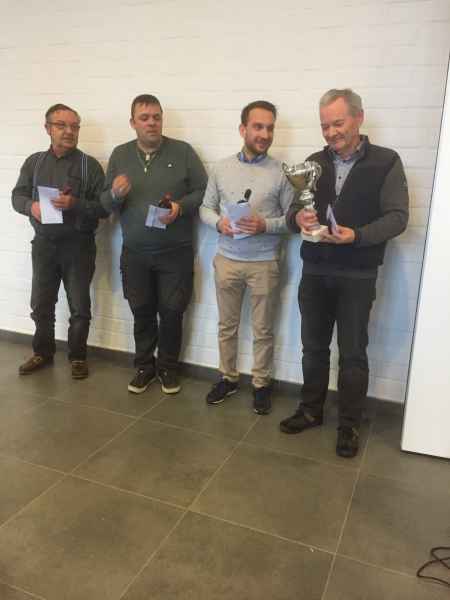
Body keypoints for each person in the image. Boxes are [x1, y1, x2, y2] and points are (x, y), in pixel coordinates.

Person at [279, 88, 409, 457]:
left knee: (352, 353)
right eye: (325, 126)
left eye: (338, 123)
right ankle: (310, 410)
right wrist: (298, 219)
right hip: (315, 270)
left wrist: (358, 236)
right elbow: (292, 214)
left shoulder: (386, 161)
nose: (331, 132)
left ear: (358, 118)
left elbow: (398, 218)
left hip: (357, 274)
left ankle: (349, 424)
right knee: (313, 348)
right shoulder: (312, 162)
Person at [101, 94, 207, 395]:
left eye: (156, 117)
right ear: (133, 122)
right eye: (144, 118)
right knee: (141, 311)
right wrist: (115, 194)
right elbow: (104, 203)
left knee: (172, 312)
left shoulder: (183, 152)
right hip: (135, 253)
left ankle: (168, 368)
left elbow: (204, 191)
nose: (151, 123)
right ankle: (144, 367)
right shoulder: (120, 155)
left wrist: (180, 207)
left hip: (175, 252)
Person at [200, 100, 295, 415]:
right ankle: (227, 378)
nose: (265, 134)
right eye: (258, 127)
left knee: (263, 330)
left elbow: (293, 221)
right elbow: (205, 208)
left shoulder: (282, 173)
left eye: (270, 128)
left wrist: (265, 225)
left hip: (264, 264)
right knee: (226, 326)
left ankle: (261, 384)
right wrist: (219, 224)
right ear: (243, 129)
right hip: (227, 260)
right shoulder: (220, 168)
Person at [12, 103, 106, 379]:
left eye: (74, 126)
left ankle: (78, 357)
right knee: (41, 304)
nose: (69, 131)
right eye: (61, 125)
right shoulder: (34, 163)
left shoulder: (90, 166)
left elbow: (103, 208)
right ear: (47, 128)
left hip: (79, 246)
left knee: (80, 307)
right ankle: (42, 352)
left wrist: (74, 203)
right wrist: (31, 206)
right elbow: (17, 196)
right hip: (43, 244)